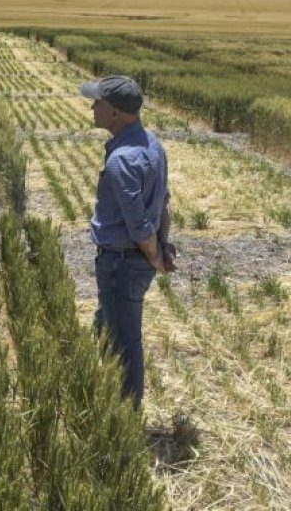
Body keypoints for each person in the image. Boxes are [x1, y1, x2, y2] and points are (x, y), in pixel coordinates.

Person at [81, 74, 177, 408]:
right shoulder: (152, 143)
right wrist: (162, 246)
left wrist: (153, 254)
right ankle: (104, 391)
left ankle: (126, 415)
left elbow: (137, 223)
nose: (92, 107)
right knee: (105, 324)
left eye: (98, 103)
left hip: (122, 261)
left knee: (125, 343)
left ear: (116, 113)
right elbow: (163, 201)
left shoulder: (122, 159)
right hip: (134, 259)